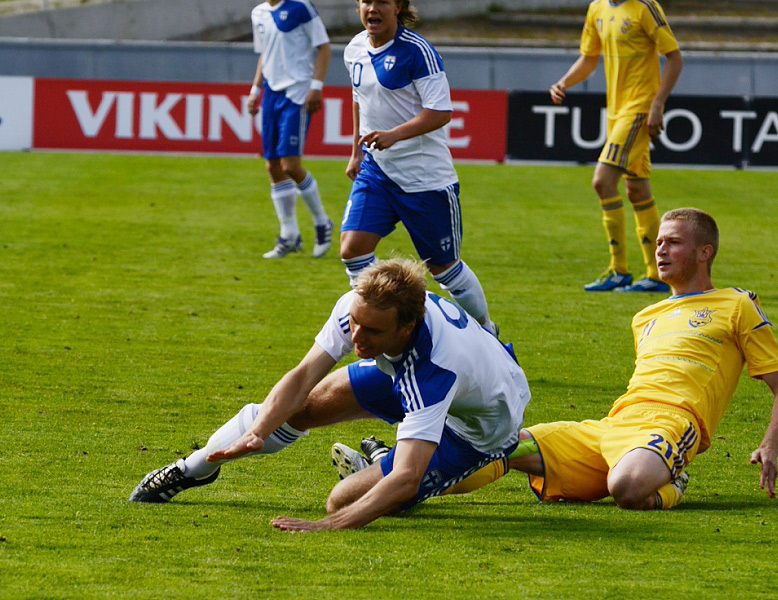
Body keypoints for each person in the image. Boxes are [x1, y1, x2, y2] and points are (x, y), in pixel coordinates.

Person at [336, 208, 778, 510]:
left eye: (673, 242)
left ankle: (671, 480)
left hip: (669, 422)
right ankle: (389, 468)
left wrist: (771, 446)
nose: (660, 249)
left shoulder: (736, 304)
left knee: (629, 488)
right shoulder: (646, 315)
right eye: (658, 241)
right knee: (497, 444)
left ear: (705, 252)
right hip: (613, 423)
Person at [129, 257, 531, 531]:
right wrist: (258, 431)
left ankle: (382, 461)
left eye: (371, 331)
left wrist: (327, 526)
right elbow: (303, 374)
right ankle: (192, 468)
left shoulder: (433, 371)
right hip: (415, 371)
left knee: (344, 502)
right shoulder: (363, 306)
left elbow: (407, 478)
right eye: (355, 323)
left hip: (477, 429)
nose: (357, 337)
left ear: (405, 327)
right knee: (304, 406)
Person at [339, 0, 498, 335]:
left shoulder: (417, 51)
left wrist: (395, 134)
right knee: (353, 249)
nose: (372, 8)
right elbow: (358, 99)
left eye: (382, 1)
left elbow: (440, 111)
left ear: (397, 6)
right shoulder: (354, 48)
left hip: (425, 179)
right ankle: (374, 328)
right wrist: (356, 151)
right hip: (378, 171)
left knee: (444, 268)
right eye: (366, 0)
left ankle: (486, 331)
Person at [550, 0, 683, 292]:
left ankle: (619, 269)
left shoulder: (645, 8)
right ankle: (655, 274)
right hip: (616, 111)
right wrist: (564, 83)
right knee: (637, 190)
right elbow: (589, 57)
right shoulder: (597, 8)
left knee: (602, 181)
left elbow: (675, 57)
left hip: (640, 109)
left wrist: (657, 105)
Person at [248, 0, 334, 259]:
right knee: (272, 165)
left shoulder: (301, 7)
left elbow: (325, 47)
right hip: (271, 94)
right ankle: (290, 235)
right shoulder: (259, 13)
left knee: (290, 165)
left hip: (297, 92)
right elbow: (265, 54)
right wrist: (255, 89)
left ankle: (322, 221)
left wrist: (316, 86)